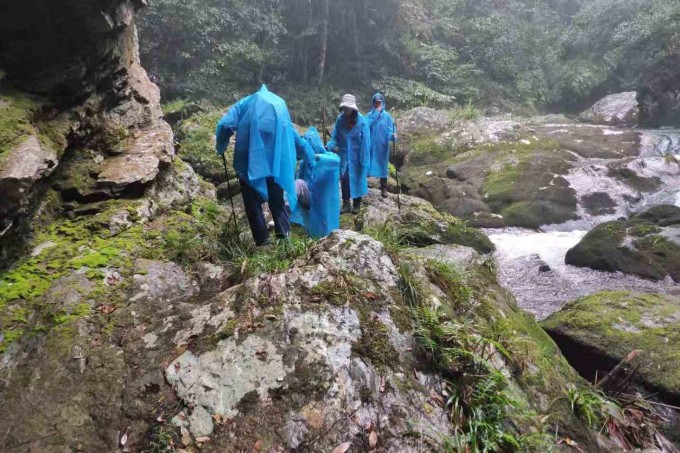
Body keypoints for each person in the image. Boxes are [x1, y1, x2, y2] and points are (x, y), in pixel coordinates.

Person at [215, 85, 299, 246]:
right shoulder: (280, 104)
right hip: (276, 162)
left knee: (252, 203)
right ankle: (285, 241)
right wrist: (306, 152)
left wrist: (222, 144)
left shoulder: (245, 103)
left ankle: (263, 243)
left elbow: (225, 125)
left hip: (250, 162)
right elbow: (290, 131)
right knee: (277, 201)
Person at [326, 94, 371, 214]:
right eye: (344, 108)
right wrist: (328, 146)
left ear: (353, 108)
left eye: (348, 108)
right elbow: (335, 137)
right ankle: (346, 203)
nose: (346, 110)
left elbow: (366, 142)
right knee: (345, 178)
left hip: (358, 155)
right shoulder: (340, 120)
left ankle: (357, 203)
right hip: (344, 155)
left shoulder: (362, 121)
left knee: (357, 177)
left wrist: (364, 160)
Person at [366, 93, 397, 198]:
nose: (378, 105)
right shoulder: (369, 115)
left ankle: (383, 187)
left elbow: (390, 130)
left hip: (382, 146)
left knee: (383, 166)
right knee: (367, 163)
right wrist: (376, 114)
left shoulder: (387, 117)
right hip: (370, 145)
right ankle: (363, 186)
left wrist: (393, 136)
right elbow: (366, 126)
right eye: (376, 103)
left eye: (380, 103)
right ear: (373, 103)